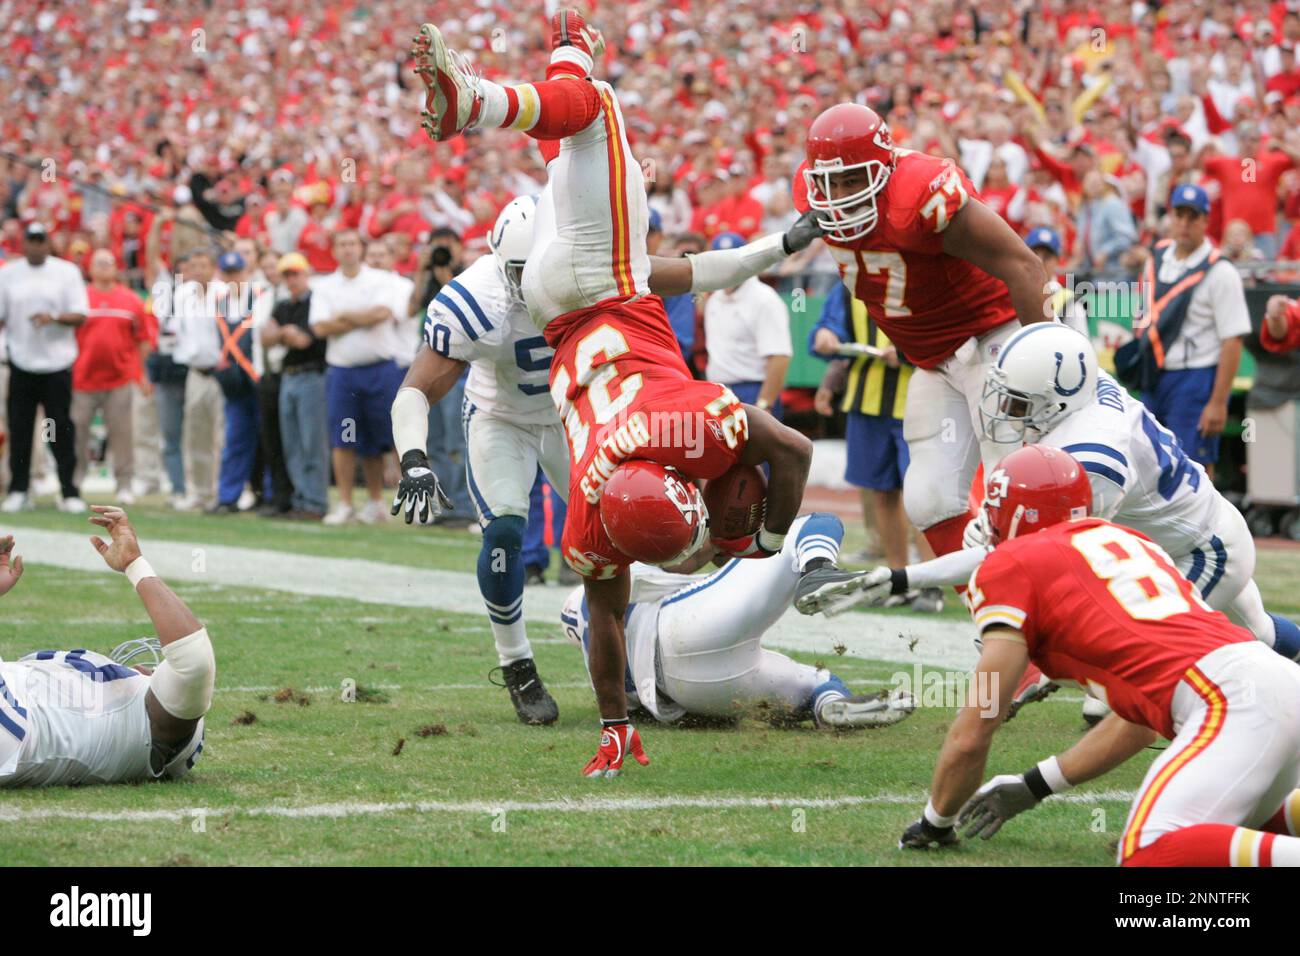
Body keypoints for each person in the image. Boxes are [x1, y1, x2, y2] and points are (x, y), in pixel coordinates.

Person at [410, 10, 821, 774]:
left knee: (593, 111)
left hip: (592, 290)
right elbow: (606, 611)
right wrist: (614, 719)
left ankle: (505, 87)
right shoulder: (594, 512)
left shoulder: (683, 430)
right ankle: (541, 60)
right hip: (567, 300)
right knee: (587, 108)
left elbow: (791, 449)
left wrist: (767, 538)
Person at [895, 446, 1300, 868]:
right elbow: (1139, 721)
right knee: (1250, 823)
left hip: (1227, 697)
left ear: (1014, 516)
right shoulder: (1131, 540)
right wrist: (1036, 784)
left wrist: (935, 821)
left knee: (1150, 853)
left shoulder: (1012, 564)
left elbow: (977, 724)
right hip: (1271, 678)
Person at [799, 324, 1300, 664]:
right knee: (1261, 635)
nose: (1003, 410)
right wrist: (900, 575)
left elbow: (1011, 559)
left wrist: (900, 578)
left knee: (1134, 667)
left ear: (1055, 399)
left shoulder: (1091, 457)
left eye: (1018, 402)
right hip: (1179, 529)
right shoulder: (1076, 394)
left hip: (1201, 550)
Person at [794, 102, 1050, 565]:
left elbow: (1025, 265)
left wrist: (1043, 364)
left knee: (1015, 486)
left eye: (852, 179)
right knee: (930, 502)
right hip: (934, 363)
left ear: (885, 168)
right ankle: (992, 614)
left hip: (993, 339)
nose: (839, 194)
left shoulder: (921, 196)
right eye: (828, 181)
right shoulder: (814, 196)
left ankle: (1051, 605)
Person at [390, 195, 567, 725]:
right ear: (498, 259)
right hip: (500, 416)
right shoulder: (476, 298)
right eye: (522, 270)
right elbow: (415, 391)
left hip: (568, 413)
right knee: (505, 533)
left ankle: (628, 656)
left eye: (543, 268)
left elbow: (678, 277)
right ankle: (516, 663)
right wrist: (415, 458)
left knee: (612, 527)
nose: (534, 282)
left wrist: (776, 248)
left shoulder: (586, 269)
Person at [562, 514, 915, 728]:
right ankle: (819, 571)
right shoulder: (605, 589)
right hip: (685, 627)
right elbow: (674, 562)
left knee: (814, 683)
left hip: (694, 692)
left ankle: (828, 706)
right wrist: (721, 539)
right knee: (812, 524)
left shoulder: (606, 672)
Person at [0, 509, 210, 787]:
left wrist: (135, 564)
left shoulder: (143, 722)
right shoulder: (106, 709)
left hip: (15, 728)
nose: (149, 668)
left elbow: (194, 661)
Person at [810, 284, 942, 613]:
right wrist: (825, 335)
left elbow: (948, 336)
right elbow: (829, 325)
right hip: (866, 402)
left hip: (918, 401)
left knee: (923, 497)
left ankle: (930, 582)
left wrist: (909, 351)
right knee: (881, 492)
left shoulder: (923, 277)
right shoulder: (847, 284)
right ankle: (899, 580)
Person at [1124, 184, 1250, 477]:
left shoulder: (1221, 271)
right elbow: (1141, 313)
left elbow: (1233, 340)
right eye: (1179, 214)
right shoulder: (1156, 258)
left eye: (1193, 217)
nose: (1184, 223)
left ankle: (1206, 524)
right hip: (1154, 374)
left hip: (1194, 379)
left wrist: (1218, 403)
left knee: (1194, 468)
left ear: (1206, 221)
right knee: (1149, 465)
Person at [309, 230, 404, 525]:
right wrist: (359, 317)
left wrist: (343, 318)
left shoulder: (380, 279)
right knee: (344, 438)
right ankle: (346, 502)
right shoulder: (325, 285)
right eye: (342, 244)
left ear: (360, 249)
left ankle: (381, 501)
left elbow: (381, 313)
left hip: (379, 368)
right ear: (334, 250)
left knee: (386, 438)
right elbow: (320, 328)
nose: (348, 249)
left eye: (352, 244)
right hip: (343, 371)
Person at [0, 221, 89, 514]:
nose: (36, 245)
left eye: (41, 240)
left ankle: (69, 491)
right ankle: (19, 489)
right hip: (22, 362)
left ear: (48, 243)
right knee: (20, 428)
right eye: (31, 240)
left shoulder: (66, 272)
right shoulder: (9, 274)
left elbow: (80, 314)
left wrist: (54, 317)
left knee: (60, 428)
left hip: (57, 363)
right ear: (23, 243)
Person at [72, 249, 150, 503]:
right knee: (76, 432)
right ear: (90, 268)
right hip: (82, 379)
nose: (105, 267)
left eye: (109, 263)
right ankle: (74, 482)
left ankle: (124, 484)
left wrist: (141, 373)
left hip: (120, 379)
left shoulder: (131, 300)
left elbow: (144, 340)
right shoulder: (78, 298)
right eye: (99, 263)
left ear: (117, 268)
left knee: (122, 434)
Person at [261, 252, 327, 519]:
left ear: (305, 273)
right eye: (287, 275)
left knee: (311, 441)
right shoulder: (283, 305)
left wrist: (283, 334)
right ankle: (301, 498)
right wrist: (284, 333)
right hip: (288, 374)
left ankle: (315, 501)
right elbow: (266, 337)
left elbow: (302, 340)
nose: (291, 279)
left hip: (312, 374)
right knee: (293, 443)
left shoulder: (317, 302)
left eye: (295, 274)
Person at [702, 232, 792, 417]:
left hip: (752, 392)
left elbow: (779, 358)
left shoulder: (765, 299)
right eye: (719, 262)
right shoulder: (715, 299)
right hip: (718, 393)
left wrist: (764, 404)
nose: (725, 269)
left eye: (730, 262)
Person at [171, 248, 225, 511]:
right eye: (194, 266)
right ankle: (200, 491)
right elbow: (176, 330)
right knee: (196, 434)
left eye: (204, 265)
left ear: (213, 267)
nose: (199, 271)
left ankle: (223, 491)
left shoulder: (224, 293)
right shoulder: (182, 294)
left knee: (223, 434)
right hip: (195, 371)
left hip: (220, 372)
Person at [1024, 227, 1088, 336]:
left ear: (1057, 261)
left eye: (1047, 257)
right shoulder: (1015, 293)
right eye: (1034, 254)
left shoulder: (1070, 301)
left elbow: (1081, 345)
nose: (1039, 261)